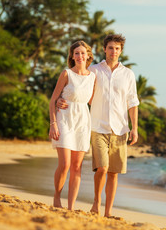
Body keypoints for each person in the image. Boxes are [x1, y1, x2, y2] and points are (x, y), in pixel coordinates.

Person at [58, 34, 139, 217]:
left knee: (113, 172)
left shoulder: (128, 74)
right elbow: (75, 85)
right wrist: (59, 101)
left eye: (117, 48)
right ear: (104, 49)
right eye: (110, 48)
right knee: (102, 168)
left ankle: (108, 212)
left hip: (120, 129)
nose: (113, 51)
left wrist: (134, 128)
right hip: (97, 127)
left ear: (121, 51)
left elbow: (132, 102)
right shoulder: (93, 70)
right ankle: (96, 202)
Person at [49, 40, 96, 210]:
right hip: (65, 118)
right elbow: (53, 100)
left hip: (83, 120)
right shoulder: (66, 74)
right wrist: (53, 123)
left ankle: (71, 207)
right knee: (65, 164)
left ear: (88, 55)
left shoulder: (93, 77)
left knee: (77, 166)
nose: (80, 56)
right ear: (72, 56)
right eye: (76, 53)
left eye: (83, 53)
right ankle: (56, 197)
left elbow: (94, 101)